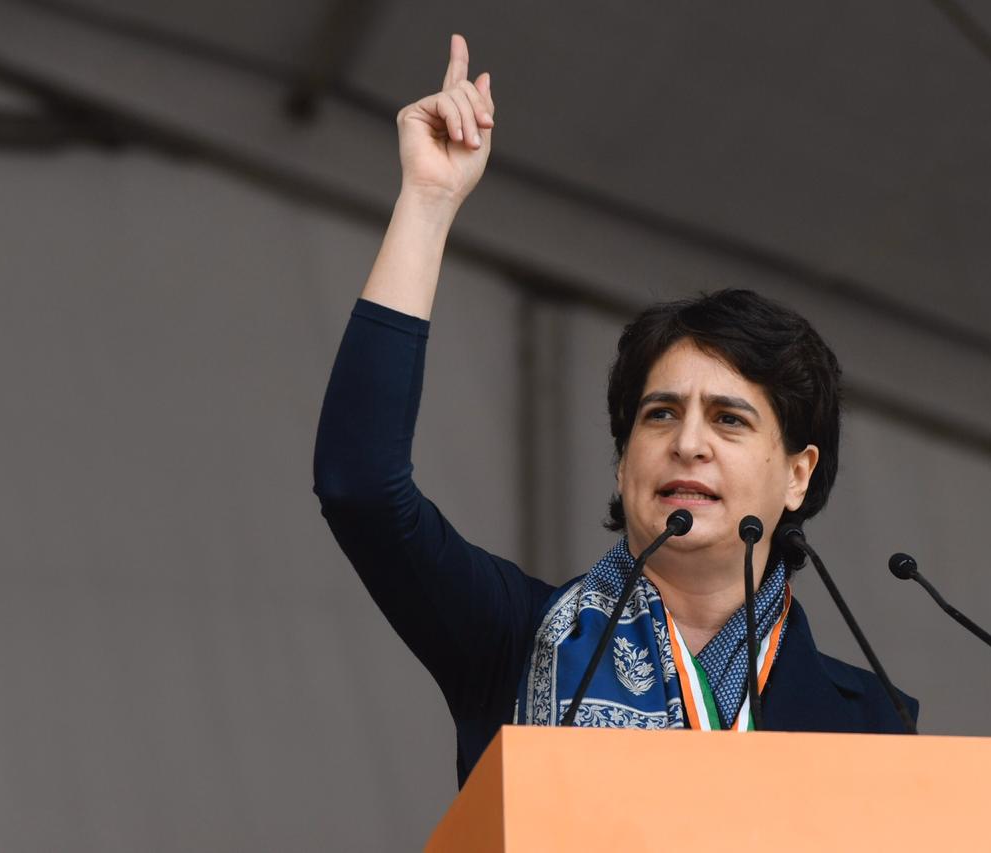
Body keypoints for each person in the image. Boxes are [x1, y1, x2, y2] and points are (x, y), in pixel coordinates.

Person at [313, 34, 917, 787]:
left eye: (729, 419)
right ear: (623, 458)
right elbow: (360, 486)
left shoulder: (874, 722)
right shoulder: (514, 637)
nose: (688, 443)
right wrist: (428, 205)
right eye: (659, 415)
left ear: (798, 474)